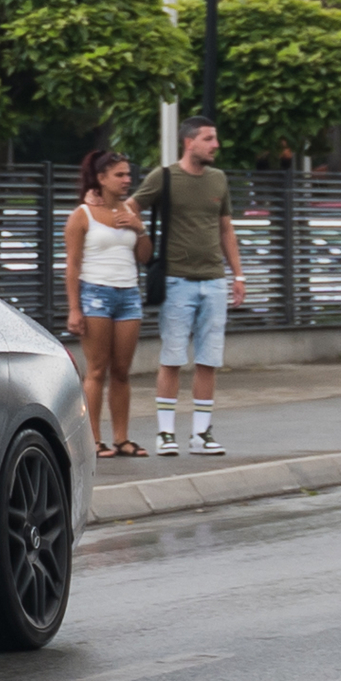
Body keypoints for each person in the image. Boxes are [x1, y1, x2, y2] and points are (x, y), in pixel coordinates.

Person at [131, 115, 245, 457]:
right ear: (189, 142)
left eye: (215, 138)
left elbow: (226, 229)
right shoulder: (164, 177)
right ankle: (165, 433)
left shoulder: (218, 179)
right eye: (209, 139)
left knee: (209, 359)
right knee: (172, 356)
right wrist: (139, 233)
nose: (216, 145)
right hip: (176, 280)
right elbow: (131, 207)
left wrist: (238, 275)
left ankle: (201, 433)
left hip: (214, 281)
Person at [63, 149, 152, 459]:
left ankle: (122, 438)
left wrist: (138, 227)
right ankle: (94, 438)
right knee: (97, 369)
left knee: (123, 371)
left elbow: (144, 257)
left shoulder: (129, 211)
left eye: (128, 174)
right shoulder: (82, 215)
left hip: (128, 295)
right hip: (95, 294)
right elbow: (72, 266)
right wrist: (75, 308)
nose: (127, 180)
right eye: (120, 175)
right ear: (101, 179)